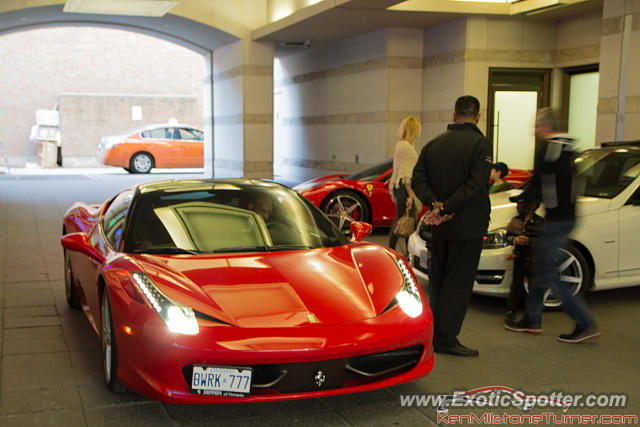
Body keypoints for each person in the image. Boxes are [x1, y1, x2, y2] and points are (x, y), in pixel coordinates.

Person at [505, 107, 600, 343]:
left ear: (546, 127)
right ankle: (532, 319)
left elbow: (539, 181)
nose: (534, 131)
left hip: (556, 219)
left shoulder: (548, 148)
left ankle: (585, 323)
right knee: (542, 268)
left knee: (548, 273)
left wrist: (520, 202)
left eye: (537, 126)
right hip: (569, 216)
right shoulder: (572, 148)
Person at [412, 95, 492, 357]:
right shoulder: (481, 145)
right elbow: (475, 185)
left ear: (454, 115)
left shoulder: (434, 144)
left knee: (439, 281)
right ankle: (447, 339)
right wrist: (447, 207)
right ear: (477, 116)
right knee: (458, 283)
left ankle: (435, 333)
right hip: (467, 226)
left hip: (439, 226)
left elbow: (418, 179)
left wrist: (435, 204)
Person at [505, 201, 543, 322]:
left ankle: (533, 313)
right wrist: (515, 239)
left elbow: (544, 240)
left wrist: (529, 241)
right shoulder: (516, 220)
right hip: (520, 257)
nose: (518, 206)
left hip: (533, 258)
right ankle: (512, 310)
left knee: (533, 286)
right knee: (516, 285)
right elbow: (508, 236)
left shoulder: (540, 222)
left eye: (521, 203)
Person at [388, 116, 422, 253]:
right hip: (405, 188)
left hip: (398, 186)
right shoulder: (407, 148)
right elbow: (408, 174)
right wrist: (411, 195)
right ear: (414, 130)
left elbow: (397, 170)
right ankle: (409, 253)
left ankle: (392, 249)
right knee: (409, 222)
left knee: (401, 220)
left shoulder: (400, 145)